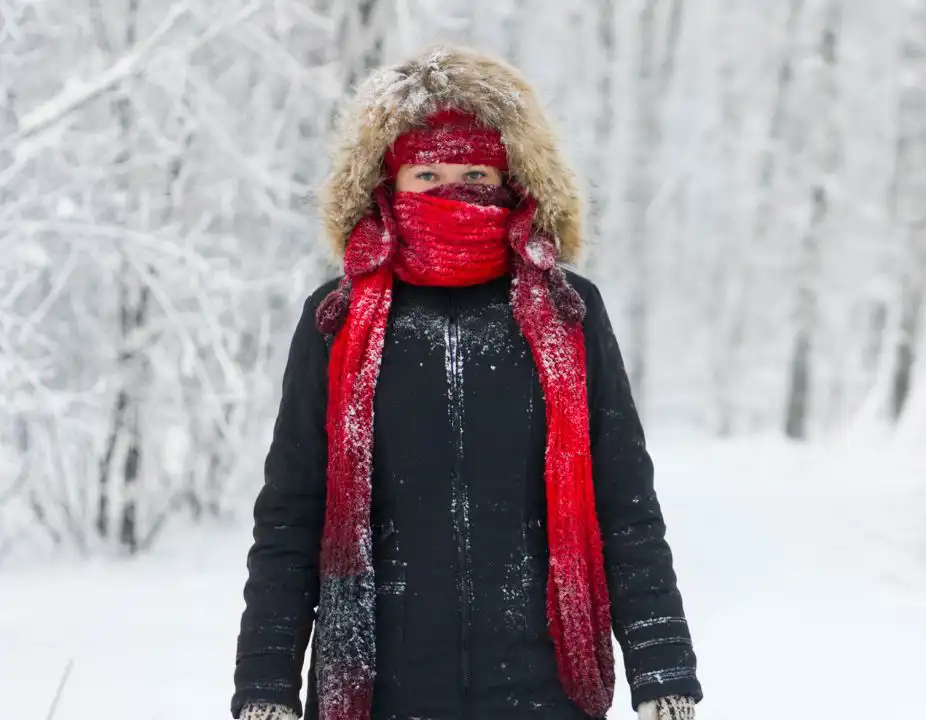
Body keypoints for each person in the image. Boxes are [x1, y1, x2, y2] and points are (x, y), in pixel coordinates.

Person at [230, 45, 701, 720]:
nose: (454, 188)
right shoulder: (337, 319)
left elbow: (623, 502)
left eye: (475, 169)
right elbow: (290, 516)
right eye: (428, 171)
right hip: (381, 693)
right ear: (387, 183)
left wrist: (662, 667)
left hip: (545, 691)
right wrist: (266, 685)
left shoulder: (568, 313)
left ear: (512, 177)